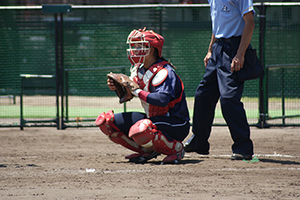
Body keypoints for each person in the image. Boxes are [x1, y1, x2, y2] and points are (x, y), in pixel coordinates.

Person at [95, 28, 190, 164]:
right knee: (107, 122)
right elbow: (126, 97)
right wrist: (118, 88)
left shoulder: (165, 72)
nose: (135, 49)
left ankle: (176, 149)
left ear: (151, 50)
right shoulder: (138, 69)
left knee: (141, 129)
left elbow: (162, 100)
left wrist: (136, 90)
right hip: (153, 118)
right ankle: (147, 150)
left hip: (176, 123)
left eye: (140, 46)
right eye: (134, 46)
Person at [184, 0, 256, 160]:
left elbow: (249, 23)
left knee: (229, 99)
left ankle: (243, 147)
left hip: (234, 49)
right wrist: (210, 49)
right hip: (218, 49)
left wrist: (240, 54)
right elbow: (217, 25)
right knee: (203, 96)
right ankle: (199, 142)